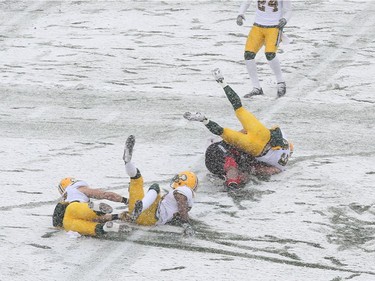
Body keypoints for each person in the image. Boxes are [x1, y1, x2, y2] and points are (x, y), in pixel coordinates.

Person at [184, 68, 293, 178]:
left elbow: (274, 129)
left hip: (263, 133)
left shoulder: (284, 139)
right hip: (256, 148)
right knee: (222, 132)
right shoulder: (281, 165)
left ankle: (222, 82)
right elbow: (269, 171)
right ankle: (204, 120)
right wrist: (252, 170)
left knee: (239, 107)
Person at [122, 135, 198, 236]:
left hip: (148, 213)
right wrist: (185, 223)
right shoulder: (186, 197)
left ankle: (127, 163)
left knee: (154, 186)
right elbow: (179, 210)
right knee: (137, 178)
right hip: (148, 220)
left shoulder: (185, 190)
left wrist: (186, 223)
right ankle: (128, 162)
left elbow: (181, 201)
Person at [236, 0, 292, 97]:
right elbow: (246, 2)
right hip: (257, 26)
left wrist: (284, 19)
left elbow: (288, 10)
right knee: (248, 54)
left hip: (274, 26)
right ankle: (256, 87)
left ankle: (281, 82)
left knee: (270, 54)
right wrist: (240, 14)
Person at [52, 178, 130, 237]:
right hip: (76, 206)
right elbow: (104, 194)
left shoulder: (66, 198)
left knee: (88, 227)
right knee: (88, 211)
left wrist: (117, 216)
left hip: (67, 220)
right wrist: (126, 200)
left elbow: (94, 219)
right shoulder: (77, 188)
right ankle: (96, 209)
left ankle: (103, 228)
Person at [205, 139, 281, 189]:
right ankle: (232, 184)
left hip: (220, 163)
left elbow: (259, 168)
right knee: (232, 163)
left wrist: (276, 169)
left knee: (245, 174)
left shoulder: (254, 158)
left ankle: (230, 179)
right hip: (218, 152)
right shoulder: (248, 142)